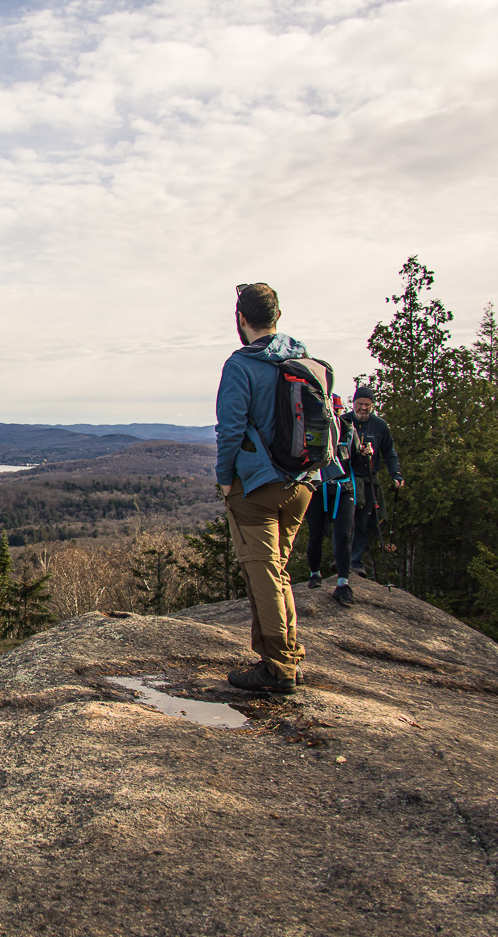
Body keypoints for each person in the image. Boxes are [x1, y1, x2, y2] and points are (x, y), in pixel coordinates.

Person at [216, 283, 316, 695]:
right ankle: (287, 654)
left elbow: (231, 429)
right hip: (302, 484)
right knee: (278, 572)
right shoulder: (304, 358)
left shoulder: (241, 364)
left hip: (256, 487)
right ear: (278, 316)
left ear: (241, 319)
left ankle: (277, 668)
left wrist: (225, 479)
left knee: (263, 575)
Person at [303, 394, 370, 605]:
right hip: (317, 488)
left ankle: (342, 583)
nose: (335, 413)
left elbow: (357, 463)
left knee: (343, 536)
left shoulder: (349, 430)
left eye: (337, 409)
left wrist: (365, 454)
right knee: (315, 535)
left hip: (344, 489)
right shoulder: (312, 428)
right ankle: (315, 574)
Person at [344, 386, 404, 577]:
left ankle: (356, 561)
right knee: (345, 521)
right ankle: (340, 559)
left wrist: (396, 474)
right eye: (360, 404)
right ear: (353, 403)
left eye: (367, 405)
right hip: (346, 479)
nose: (363, 408)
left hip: (370, 479)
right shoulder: (342, 421)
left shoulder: (380, 426)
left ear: (372, 406)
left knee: (365, 522)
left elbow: (389, 452)